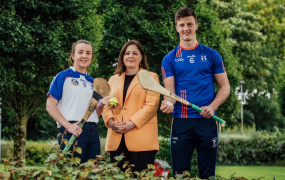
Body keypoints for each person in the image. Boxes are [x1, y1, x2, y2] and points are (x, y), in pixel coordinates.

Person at [160, 7, 231, 179]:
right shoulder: (169, 59)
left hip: (207, 121)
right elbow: (170, 93)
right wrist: (168, 103)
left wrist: (212, 107)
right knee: (179, 174)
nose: (186, 28)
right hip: (181, 123)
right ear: (176, 27)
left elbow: (225, 87)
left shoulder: (212, 55)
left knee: (208, 175)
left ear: (196, 26)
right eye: (182, 25)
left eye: (189, 24)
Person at [46, 40, 111, 164]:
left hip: (92, 130)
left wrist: (101, 104)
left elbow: (94, 113)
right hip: (71, 129)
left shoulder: (93, 82)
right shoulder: (63, 76)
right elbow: (50, 105)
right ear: (73, 55)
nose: (84, 56)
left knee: (92, 173)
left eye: (88, 53)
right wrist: (68, 126)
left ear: (91, 57)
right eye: (80, 52)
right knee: (71, 172)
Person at [102, 40, 160, 173]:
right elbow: (106, 104)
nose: (130, 56)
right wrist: (110, 122)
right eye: (127, 53)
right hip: (116, 138)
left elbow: (152, 105)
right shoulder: (113, 79)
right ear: (122, 57)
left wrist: (132, 123)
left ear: (141, 57)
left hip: (142, 139)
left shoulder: (151, 77)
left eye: (135, 53)